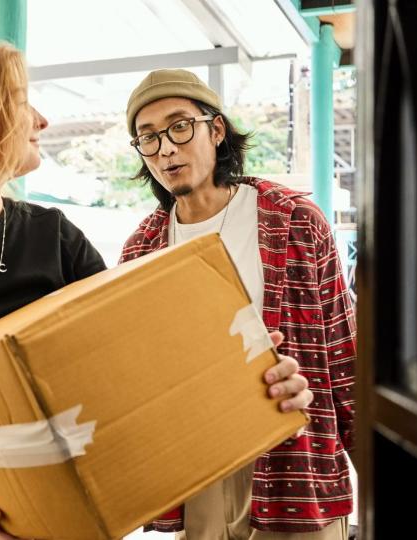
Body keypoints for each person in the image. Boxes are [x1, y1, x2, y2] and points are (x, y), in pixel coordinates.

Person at [0, 46, 313, 540]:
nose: (41, 119)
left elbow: (134, 371)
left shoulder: (54, 236)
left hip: (72, 508)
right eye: (22, 103)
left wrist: (254, 384)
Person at [119, 69, 356, 540]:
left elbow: (341, 348)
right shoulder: (141, 249)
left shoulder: (293, 221)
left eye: (179, 126)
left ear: (216, 129)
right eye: (147, 138)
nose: (166, 148)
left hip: (296, 463)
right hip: (200, 467)